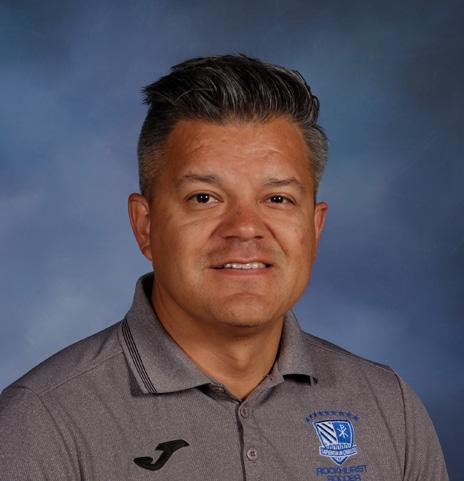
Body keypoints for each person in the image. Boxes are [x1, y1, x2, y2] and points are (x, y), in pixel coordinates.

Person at [0, 54, 448, 481]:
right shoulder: (40, 423)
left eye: (277, 198)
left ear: (314, 227)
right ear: (145, 225)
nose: (245, 228)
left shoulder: (389, 409)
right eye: (204, 198)